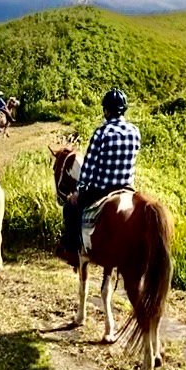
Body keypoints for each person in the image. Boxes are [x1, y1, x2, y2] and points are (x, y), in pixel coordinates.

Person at [57, 88, 140, 267]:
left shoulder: (101, 133)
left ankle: (72, 251)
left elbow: (87, 167)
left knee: (70, 209)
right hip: (128, 188)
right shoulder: (135, 131)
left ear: (106, 110)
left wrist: (78, 192)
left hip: (102, 190)